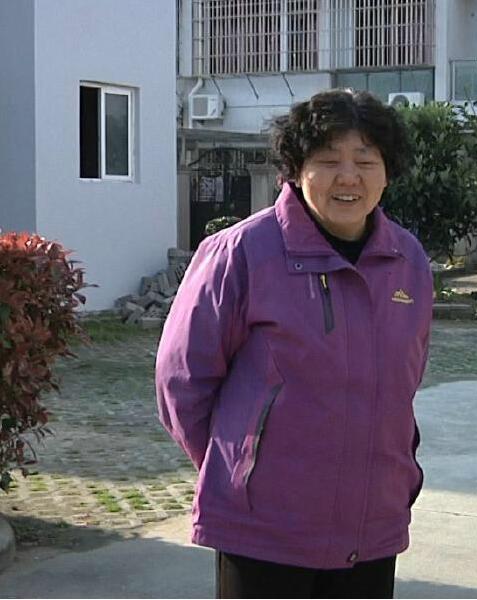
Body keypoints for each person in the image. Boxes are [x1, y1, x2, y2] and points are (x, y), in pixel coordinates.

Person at [155, 89, 433, 598]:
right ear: (296, 169)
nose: (348, 177)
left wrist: (401, 473)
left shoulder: (407, 260)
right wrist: (242, 469)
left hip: (371, 526)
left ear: (387, 172)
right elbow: (182, 383)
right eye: (328, 160)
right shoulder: (241, 253)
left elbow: (404, 380)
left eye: (365, 161)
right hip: (265, 533)